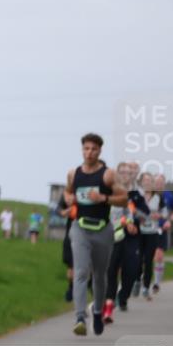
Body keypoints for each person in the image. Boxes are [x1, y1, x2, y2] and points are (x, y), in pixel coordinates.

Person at [64, 133, 127, 335]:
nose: (89, 152)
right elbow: (67, 192)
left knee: (100, 276)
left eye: (93, 149)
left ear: (100, 151)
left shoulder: (108, 174)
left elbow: (124, 198)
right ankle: (80, 317)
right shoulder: (73, 173)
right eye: (86, 148)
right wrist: (69, 199)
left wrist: (103, 197)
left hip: (102, 229)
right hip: (80, 228)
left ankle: (98, 311)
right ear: (82, 150)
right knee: (81, 272)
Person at [104, 162, 144, 320]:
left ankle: (121, 297)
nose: (127, 175)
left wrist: (129, 222)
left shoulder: (135, 194)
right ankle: (107, 305)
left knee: (130, 270)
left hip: (129, 237)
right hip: (108, 236)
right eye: (123, 172)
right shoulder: (107, 191)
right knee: (110, 271)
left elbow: (134, 213)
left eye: (130, 172)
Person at [136, 173, 162, 301]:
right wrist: (139, 217)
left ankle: (146, 287)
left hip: (152, 233)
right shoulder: (137, 196)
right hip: (139, 232)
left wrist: (159, 216)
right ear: (141, 182)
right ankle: (137, 279)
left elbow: (164, 213)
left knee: (148, 260)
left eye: (150, 181)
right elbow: (132, 211)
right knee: (138, 259)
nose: (147, 183)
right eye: (145, 180)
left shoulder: (157, 198)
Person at [152, 174, 173, 293]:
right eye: (157, 182)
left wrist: (169, 221)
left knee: (159, 255)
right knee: (146, 257)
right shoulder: (149, 195)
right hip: (149, 229)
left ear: (164, 183)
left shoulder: (169, 196)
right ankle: (140, 279)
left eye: (161, 182)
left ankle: (156, 283)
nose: (159, 185)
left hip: (162, 229)